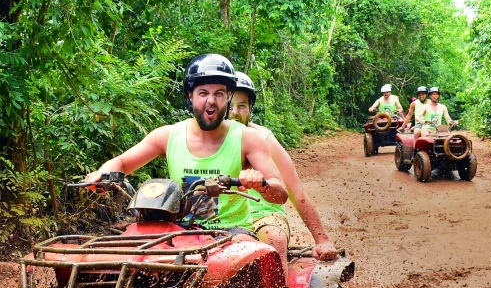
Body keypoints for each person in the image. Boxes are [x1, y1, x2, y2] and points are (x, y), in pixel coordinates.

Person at [85, 54, 289, 263]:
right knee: (131, 257)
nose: (210, 101)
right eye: (203, 93)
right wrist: (102, 174)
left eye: (218, 93)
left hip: (233, 234)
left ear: (228, 96)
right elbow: (121, 163)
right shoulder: (167, 136)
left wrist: (261, 184)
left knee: (246, 263)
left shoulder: (247, 139)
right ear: (190, 95)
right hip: (179, 232)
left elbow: (280, 194)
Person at [229, 72, 338, 263]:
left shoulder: (263, 139)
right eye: (229, 106)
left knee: (274, 239)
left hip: (263, 216)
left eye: (242, 106)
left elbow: (295, 189)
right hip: (220, 218)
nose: (234, 112)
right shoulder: (204, 140)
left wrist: (322, 239)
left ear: (251, 108)